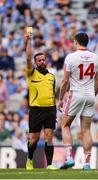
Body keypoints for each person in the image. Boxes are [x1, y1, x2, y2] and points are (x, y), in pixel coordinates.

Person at [57, 32, 98, 170]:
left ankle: (70, 158)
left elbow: (65, 81)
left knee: (64, 124)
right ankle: (87, 163)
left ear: (76, 42)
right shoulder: (96, 58)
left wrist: (60, 99)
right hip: (90, 94)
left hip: (76, 93)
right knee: (86, 129)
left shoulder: (70, 57)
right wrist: (93, 94)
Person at [25, 31, 57, 170]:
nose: (42, 62)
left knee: (49, 137)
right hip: (36, 110)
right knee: (33, 140)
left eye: (44, 59)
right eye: (39, 60)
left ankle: (49, 164)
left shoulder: (52, 76)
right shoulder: (31, 73)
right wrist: (29, 41)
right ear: (35, 63)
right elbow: (27, 59)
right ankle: (30, 159)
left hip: (50, 109)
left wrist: (56, 108)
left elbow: (53, 94)